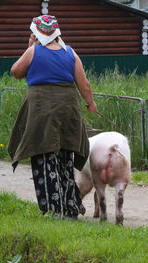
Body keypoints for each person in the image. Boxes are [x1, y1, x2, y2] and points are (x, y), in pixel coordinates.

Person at [7, 15, 97, 219]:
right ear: (57, 33)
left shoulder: (34, 51)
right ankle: (71, 208)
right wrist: (91, 104)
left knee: (44, 157)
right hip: (68, 111)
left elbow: (16, 71)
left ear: (36, 33)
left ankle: (53, 210)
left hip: (42, 111)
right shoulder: (70, 52)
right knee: (65, 158)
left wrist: (29, 46)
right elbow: (84, 84)